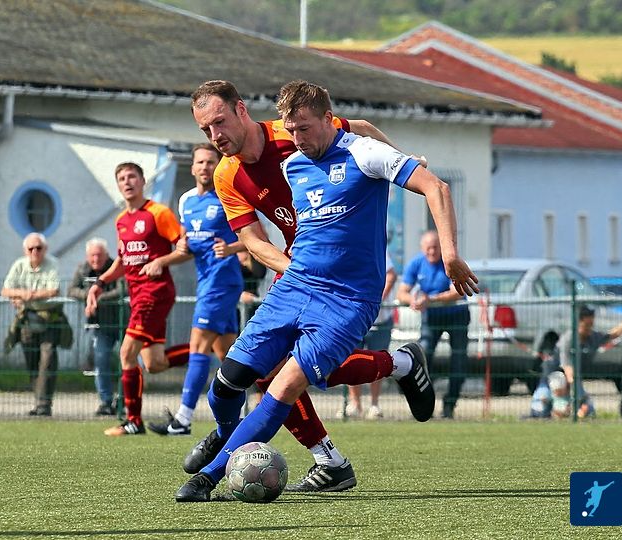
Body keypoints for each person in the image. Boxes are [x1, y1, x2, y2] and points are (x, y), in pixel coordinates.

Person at [175, 80, 479, 502]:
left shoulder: (302, 135)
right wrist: (297, 269)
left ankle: (225, 472)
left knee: (287, 380)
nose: (215, 136)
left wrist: (401, 162)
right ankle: (238, 437)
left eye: (219, 122)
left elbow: (364, 133)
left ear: (241, 110)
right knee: (231, 383)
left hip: (347, 287)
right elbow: (253, 241)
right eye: (205, 130)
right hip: (297, 274)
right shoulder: (243, 172)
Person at [147, 143, 245, 436]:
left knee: (198, 348)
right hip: (207, 283)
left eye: (211, 162)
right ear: (192, 167)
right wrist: (163, 260)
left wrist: (232, 248)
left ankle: (183, 420)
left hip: (222, 282)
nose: (205, 167)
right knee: (230, 357)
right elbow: (187, 248)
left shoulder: (228, 196)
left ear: (218, 165)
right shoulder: (186, 201)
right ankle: (246, 417)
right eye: (200, 162)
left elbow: (255, 238)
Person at [85, 162, 187, 436]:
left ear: (143, 181)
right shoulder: (121, 220)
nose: (127, 182)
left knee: (126, 353)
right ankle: (206, 349)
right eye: (121, 178)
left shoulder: (158, 213)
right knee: (154, 363)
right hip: (138, 295)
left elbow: (185, 246)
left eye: (132, 177)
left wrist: (161, 261)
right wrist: (99, 284)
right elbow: (122, 260)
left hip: (154, 293)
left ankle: (133, 421)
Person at [397, 230, 472, 419]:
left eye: (435, 247)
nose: (432, 251)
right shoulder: (416, 263)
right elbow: (402, 293)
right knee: (424, 354)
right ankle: (423, 402)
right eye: (428, 248)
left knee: (459, 360)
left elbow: (457, 292)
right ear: (422, 248)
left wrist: (430, 299)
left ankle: (449, 404)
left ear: (441, 247)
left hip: (456, 315)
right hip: (432, 317)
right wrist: (414, 300)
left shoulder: (449, 262)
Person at [2, 232, 67, 417]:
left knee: (48, 360)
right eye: (31, 248)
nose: (35, 252)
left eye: (39, 248)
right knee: (32, 361)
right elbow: (5, 290)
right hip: (27, 319)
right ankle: (38, 402)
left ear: (45, 249)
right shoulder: (19, 265)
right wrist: (22, 294)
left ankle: (44, 404)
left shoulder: (52, 264)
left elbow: (54, 290)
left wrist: (29, 296)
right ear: (25, 250)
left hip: (50, 318)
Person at [67, 237, 126, 416]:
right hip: (101, 325)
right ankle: (105, 401)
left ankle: (123, 399)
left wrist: (97, 298)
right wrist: (88, 295)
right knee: (100, 360)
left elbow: (123, 289)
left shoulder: (115, 266)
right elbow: (71, 290)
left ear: (106, 255)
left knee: (128, 362)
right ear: (87, 256)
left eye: (99, 255)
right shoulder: (82, 269)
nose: (96, 259)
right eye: (92, 255)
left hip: (123, 322)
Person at [340, 253, 397, 420]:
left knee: (379, 360)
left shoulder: (377, 250)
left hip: (380, 320)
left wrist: (377, 300)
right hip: (355, 318)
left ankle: (374, 404)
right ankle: (355, 404)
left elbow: (391, 275)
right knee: (350, 360)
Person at [557, 305, 622, 418]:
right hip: (558, 377)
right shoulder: (569, 338)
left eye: (591, 324)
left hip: (574, 377)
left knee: (588, 410)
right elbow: (567, 367)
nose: (590, 327)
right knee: (548, 407)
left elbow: (611, 335)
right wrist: (578, 396)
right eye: (587, 325)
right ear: (578, 322)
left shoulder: (591, 336)